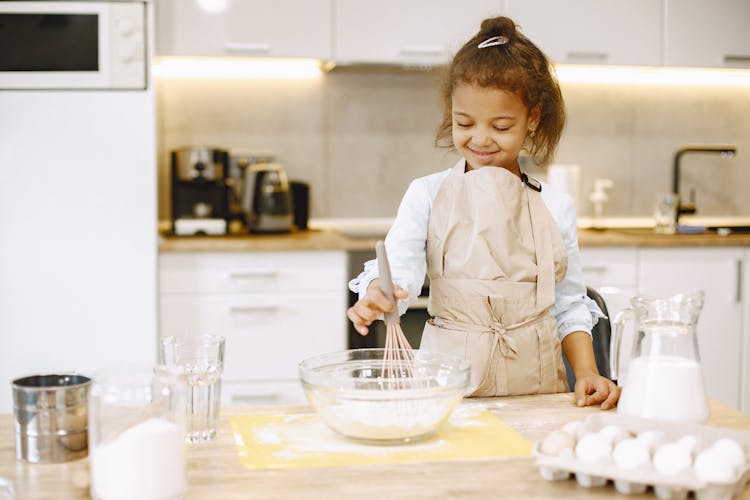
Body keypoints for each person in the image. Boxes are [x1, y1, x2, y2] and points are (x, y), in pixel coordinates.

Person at [346, 16, 620, 410]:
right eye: (464, 122)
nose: (479, 138)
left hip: (538, 387)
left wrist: (589, 372)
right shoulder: (427, 193)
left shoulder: (554, 205)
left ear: (533, 118)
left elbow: (568, 303)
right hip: (448, 384)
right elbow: (399, 269)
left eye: (501, 125)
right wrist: (379, 294)